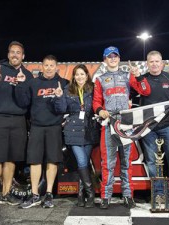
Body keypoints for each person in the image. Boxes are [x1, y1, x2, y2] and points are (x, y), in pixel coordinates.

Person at [92, 46, 151, 209]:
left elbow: (145, 91)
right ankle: (105, 196)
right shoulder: (100, 79)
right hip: (108, 124)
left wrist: (138, 76)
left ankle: (128, 195)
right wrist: (100, 110)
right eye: (109, 56)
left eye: (115, 56)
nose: (112, 59)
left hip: (126, 124)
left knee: (127, 162)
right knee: (108, 162)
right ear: (104, 60)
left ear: (119, 58)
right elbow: (96, 102)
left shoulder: (127, 76)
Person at [0, 41, 33, 212]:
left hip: (18, 120)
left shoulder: (27, 74)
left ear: (23, 56)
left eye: (18, 52)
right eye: (12, 52)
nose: (15, 55)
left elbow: (27, 102)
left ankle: (5, 193)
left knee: (11, 158)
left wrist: (21, 85)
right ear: (8, 54)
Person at [15, 55, 68, 209]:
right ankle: (35, 194)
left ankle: (49, 194)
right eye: (46, 65)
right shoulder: (33, 83)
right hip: (37, 127)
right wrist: (19, 85)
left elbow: (63, 109)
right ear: (42, 66)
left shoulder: (63, 83)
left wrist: (58, 97)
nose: (49, 68)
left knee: (52, 161)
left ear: (56, 67)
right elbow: (23, 103)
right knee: (35, 161)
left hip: (54, 127)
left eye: (52, 65)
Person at [139, 51, 169, 207]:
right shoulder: (142, 80)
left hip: (167, 126)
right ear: (147, 63)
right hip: (148, 128)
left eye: (157, 61)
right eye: (151, 61)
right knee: (152, 161)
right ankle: (158, 194)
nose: (154, 64)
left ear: (162, 63)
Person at [54, 64, 100, 208]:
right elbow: (61, 109)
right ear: (73, 77)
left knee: (84, 163)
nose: (79, 77)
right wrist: (59, 97)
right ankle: (90, 193)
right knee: (81, 161)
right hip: (73, 130)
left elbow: (98, 105)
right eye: (77, 74)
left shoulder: (93, 88)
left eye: (82, 74)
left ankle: (81, 194)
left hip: (89, 129)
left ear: (87, 75)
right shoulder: (67, 89)